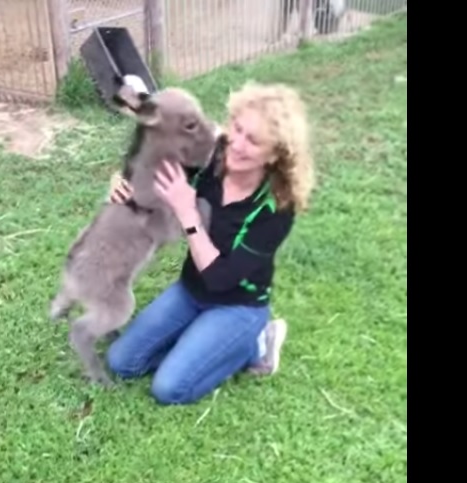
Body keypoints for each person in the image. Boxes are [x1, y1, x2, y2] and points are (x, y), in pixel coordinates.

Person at [105, 81, 315, 406]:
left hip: (238, 304)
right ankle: (199, 340)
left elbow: (220, 279)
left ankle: (257, 343)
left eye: (254, 141)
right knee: (122, 362)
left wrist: (187, 212)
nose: (238, 145)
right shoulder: (212, 153)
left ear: (275, 154)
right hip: (191, 290)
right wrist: (124, 186)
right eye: (237, 129)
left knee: (169, 388)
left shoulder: (276, 207)